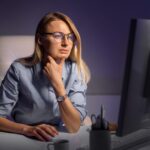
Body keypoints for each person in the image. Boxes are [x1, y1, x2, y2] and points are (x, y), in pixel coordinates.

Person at [0, 12, 91, 142]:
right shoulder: (19, 69)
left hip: (62, 136)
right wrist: (27, 129)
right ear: (40, 39)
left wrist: (58, 85)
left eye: (70, 37)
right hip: (24, 137)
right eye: (58, 36)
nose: (66, 43)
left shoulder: (76, 70)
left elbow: (74, 127)